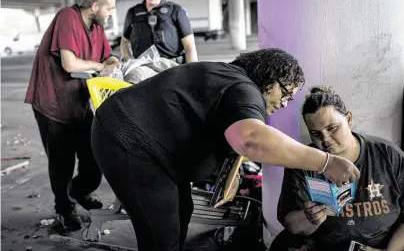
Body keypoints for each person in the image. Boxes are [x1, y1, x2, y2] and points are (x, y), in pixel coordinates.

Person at [91, 49, 360, 251]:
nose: (285, 103)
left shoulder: (229, 78)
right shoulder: (244, 89)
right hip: (128, 139)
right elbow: (251, 139)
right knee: (160, 234)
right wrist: (326, 162)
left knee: (181, 211)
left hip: (146, 144)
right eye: (287, 93)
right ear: (271, 78)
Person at [25, 0, 120, 231]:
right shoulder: (67, 16)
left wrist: (112, 61)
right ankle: (64, 209)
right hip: (52, 103)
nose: (111, 13)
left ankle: (78, 191)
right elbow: (69, 64)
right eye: (109, 8)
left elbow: (107, 56)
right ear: (94, 6)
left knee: (94, 157)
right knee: (62, 162)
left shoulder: (97, 27)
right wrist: (101, 67)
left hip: (78, 103)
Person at [273, 86, 404, 251]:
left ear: (349, 119)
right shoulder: (303, 162)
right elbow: (292, 225)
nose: (325, 139)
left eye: (332, 128)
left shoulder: (388, 155)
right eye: (316, 133)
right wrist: (309, 218)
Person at [120, 0, 198, 64]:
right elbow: (124, 41)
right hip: (143, 68)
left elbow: (189, 46)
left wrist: (192, 71)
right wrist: (129, 62)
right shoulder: (133, 12)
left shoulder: (176, 11)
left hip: (172, 67)